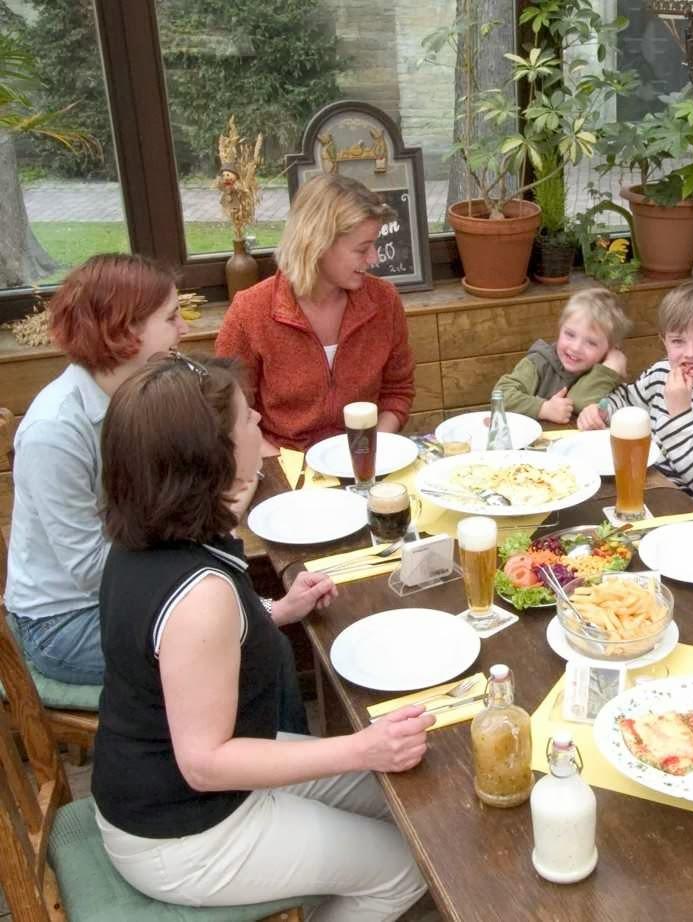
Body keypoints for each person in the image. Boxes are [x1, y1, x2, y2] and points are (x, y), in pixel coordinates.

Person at [92, 353, 433, 919]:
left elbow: (180, 656)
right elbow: (205, 763)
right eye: (247, 419)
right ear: (211, 458)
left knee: (410, 803)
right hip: (184, 830)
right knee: (407, 864)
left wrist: (275, 610)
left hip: (178, 788)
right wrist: (359, 747)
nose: (257, 425)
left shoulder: (147, 536)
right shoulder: (199, 594)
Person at [3, 254, 188, 685]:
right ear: (124, 330)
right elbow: (89, 570)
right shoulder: (55, 431)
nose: (184, 329)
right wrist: (181, 546)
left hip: (127, 592)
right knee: (229, 647)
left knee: (250, 634)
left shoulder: (143, 394)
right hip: (62, 623)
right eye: (171, 318)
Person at [215, 173, 415, 454]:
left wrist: (368, 450)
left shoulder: (384, 301)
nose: (374, 258)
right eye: (362, 249)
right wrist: (285, 470)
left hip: (365, 459)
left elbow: (398, 391)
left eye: (374, 244)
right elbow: (228, 416)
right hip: (283, 466)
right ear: (317, 245)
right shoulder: (249, 312)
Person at [578, 280, 693, 525]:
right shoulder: (661, 373)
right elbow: (626, 399)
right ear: (664, 341)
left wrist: (680, 412)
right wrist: (601, 410)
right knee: (593, 513)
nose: (690, 353)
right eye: (678, 341)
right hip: (660, 486)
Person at [493, 287, 631, 424]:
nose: (576, 348)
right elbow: (501, 394)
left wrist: (610, 368)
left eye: (591, 343)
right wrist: (544, 408)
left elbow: (579, 401)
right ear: (560, 328)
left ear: (609, 349)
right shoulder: (539, 362)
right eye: (570, 334)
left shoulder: (606, 373)